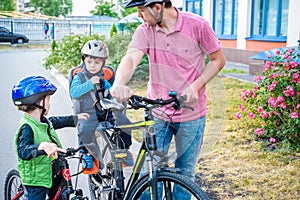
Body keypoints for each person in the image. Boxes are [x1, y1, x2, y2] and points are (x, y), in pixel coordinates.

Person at [110, 0, 226, 183]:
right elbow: (131, 58)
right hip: (158, 114)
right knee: (149, 171)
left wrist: (195, 87)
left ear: (157, 7)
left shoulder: (198, 25)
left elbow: (218, 60)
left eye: (141, 10)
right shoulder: (145, 30)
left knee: (185, 173)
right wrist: (118, 83)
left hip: (192, 116)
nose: (139, 15)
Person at [12, 75, 89, 200]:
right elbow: (23, 151)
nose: (49, 103)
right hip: (36, 179)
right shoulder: (27, 127)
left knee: (60, 193)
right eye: (48, 100)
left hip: (51, 170)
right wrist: (41, 146)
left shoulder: (43, 121)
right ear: (38, 102)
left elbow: (57, 121)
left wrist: (77, 119)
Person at [70, 40, 134, 170]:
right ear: (84, 60)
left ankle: (124, 149)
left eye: (97, 62)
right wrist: (90, 84)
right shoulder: (80, 76)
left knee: (125, 123)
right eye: (89, 62)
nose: (92, 65)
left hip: (105, 112)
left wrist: (120, 94)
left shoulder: (103, 78)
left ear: (103, 64)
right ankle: (86, 153)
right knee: (84, 128)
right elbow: (74, 93)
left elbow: (112, 92)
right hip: (88, 112)